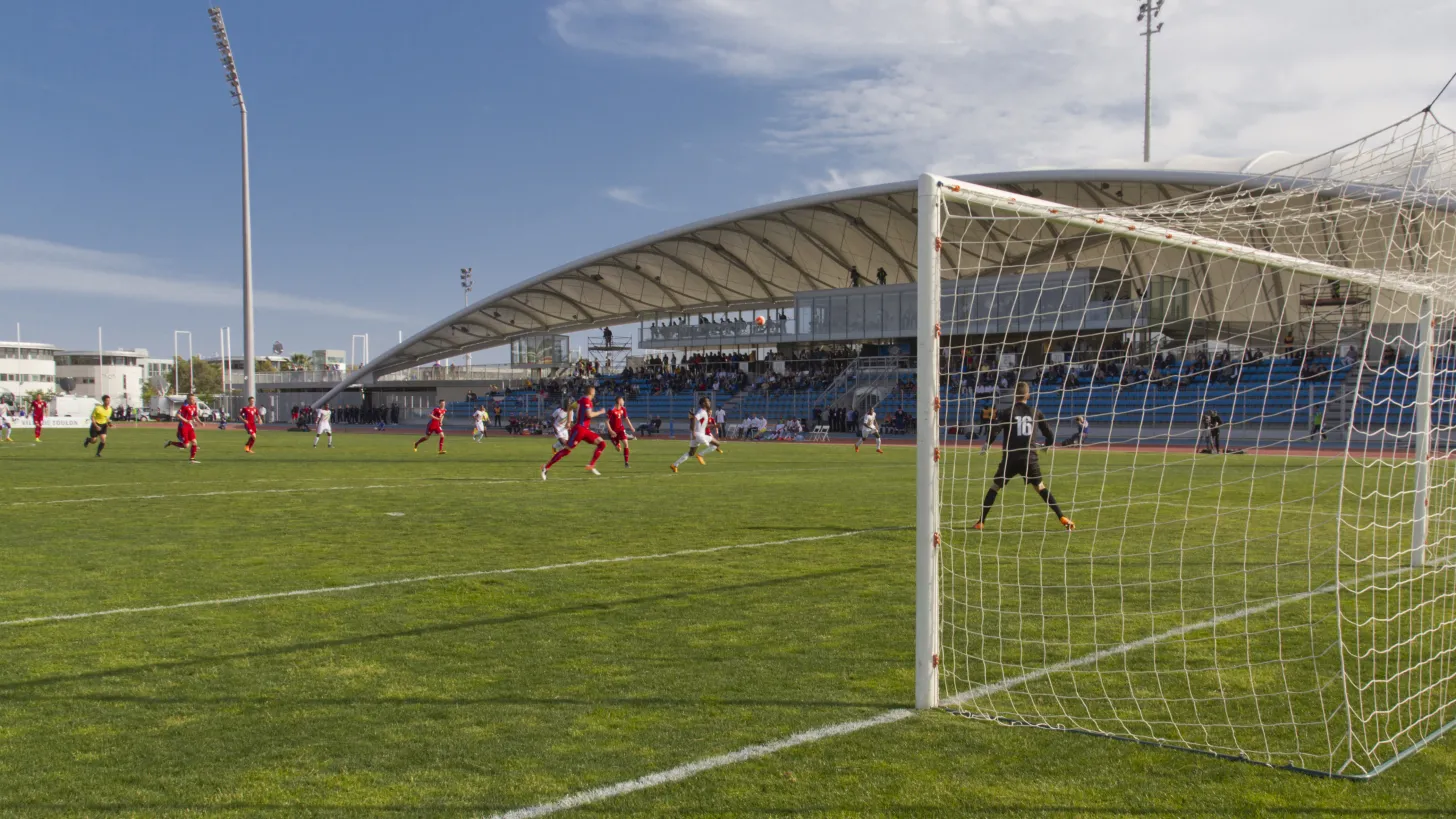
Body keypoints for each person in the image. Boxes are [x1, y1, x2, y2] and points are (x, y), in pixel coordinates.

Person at [974, 382, 1073, 531]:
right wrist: (1046, 446)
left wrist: (987, 443)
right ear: (1028, 395)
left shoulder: (1007, 412)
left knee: (995, 487)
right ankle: (1062, 517)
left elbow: (995, 429)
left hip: (1011, 458)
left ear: (1015, 395)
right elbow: (1050, 434)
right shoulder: (1035, 412)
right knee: (1040, 487)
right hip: (1029, 458)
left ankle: (981, 522)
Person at [542, 385, 607, 479]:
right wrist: (600, 412)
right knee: (567, 450)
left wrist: (569, 422)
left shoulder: (581, 400)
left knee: (602, 443)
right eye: (594, 391)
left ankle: (591, 465)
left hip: (585, 430)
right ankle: (546, 467)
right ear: (591, 392)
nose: (595, 393)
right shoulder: (586, 401)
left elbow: (570, 407)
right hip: (580, 429)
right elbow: (589, 415)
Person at [671, 396, 725, 473]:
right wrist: (693, 432)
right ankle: (700, 454)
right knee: (717, 444)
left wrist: (715, 426)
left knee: (691, 453)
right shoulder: (702, 412)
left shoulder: (704, 412)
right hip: (699, 435)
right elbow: (694, 418)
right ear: (703, 403)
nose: (709, 402)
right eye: (707, 401)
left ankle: (675, 465)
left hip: (696, 435)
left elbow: (703, 425)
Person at [164, 393, 201, 463]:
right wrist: (186, 420)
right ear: (188, 399)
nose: (193, 400)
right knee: (186, 445)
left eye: (194, 399)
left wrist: (200, 422)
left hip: (190, 426)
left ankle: (192, 459)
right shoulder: (184, 406)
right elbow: (177, 415)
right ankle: (170, 442)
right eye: (192, 399)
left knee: (194, 442)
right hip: (183, 427)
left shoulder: (194, 406)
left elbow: (195, 416)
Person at [606, 395, 636, 468]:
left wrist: (631, 427)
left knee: (626, 443)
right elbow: (606, 421)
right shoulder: (611, 410)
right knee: (618, 449)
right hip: (613, 431)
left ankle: (626, 463)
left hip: (620, 429)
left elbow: (626, 419)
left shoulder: (623, 409)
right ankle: (616, 444)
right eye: (623, 400)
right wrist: (610, 431)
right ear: (619, 401)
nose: (624, 402)